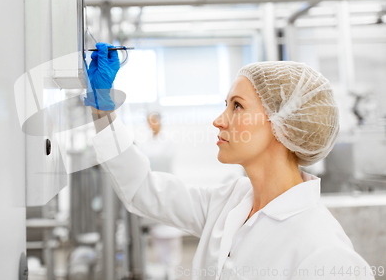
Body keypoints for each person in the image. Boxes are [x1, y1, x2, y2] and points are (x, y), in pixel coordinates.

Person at [84, 42, 375, 280]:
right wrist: (102, 108)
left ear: (282, 122)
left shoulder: (325, 253)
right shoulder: (229, 201)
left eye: (237, 106)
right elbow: (143, 191)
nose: (219, 120)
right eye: (226, 105)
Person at [137, 112, 183, 279]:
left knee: (170, 237)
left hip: (167, 189)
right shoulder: (146, 144)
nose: (152, 124)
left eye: (154, 121)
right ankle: (162, 270)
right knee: (158, 236)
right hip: (153, 191)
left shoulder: (167, 142)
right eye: (149, 121)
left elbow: (162, 162)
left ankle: (172, 271)